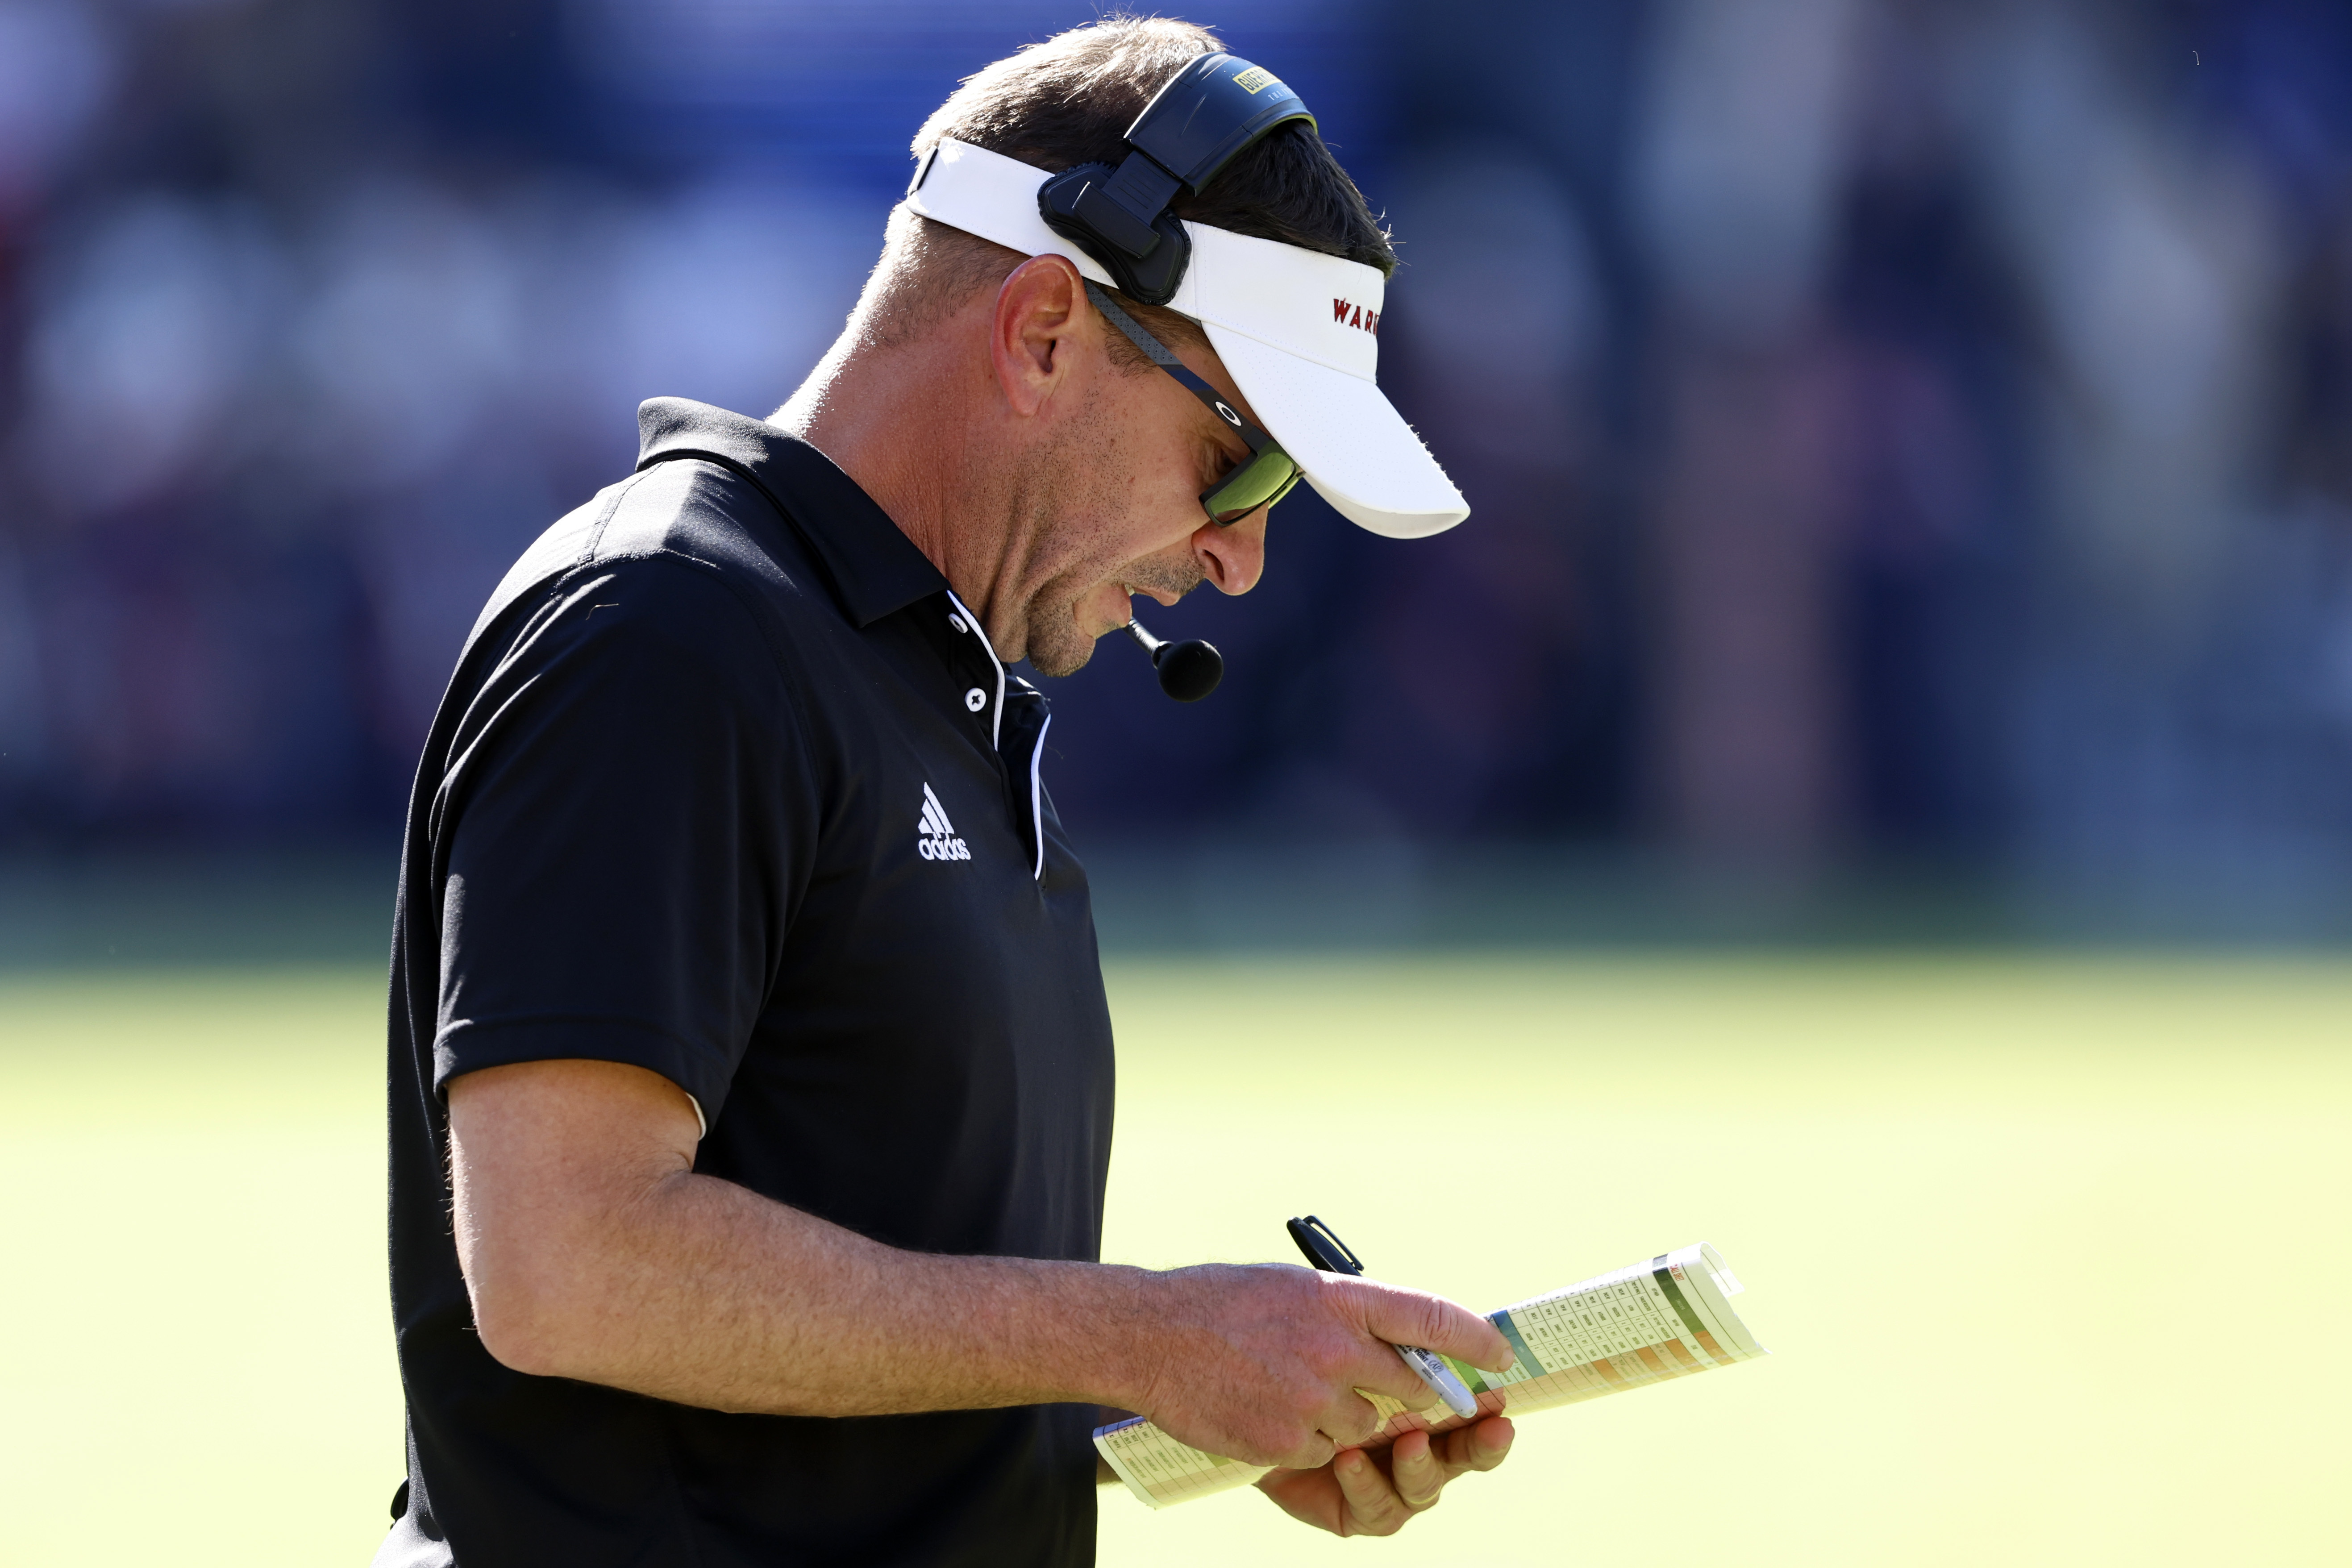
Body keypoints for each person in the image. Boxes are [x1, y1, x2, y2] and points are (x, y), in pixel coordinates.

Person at [377, 18, 1507, 1568]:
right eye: (1241, 466)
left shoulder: (928, 684)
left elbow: (857, 1363)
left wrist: (1214, 1396)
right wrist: (1145, 1336)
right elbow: (570, 1261)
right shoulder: (667, 630)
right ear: (1044, 328)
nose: (1241, 556)